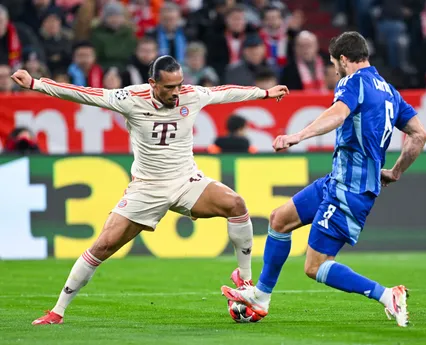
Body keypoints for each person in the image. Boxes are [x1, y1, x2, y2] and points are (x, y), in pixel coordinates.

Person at [11, 55, 289, 325]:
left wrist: (264, 93)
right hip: (147, 189)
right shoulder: (130, 99)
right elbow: (83, 93)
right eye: (169, 87)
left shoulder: (192, 94)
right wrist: (36, 84)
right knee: (103, 247)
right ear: (152, 83)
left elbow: (226, 92)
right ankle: (58, 311)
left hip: (186, 181)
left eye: (179, 85)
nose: (176, 92)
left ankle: (244, 279)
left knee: (236, 204)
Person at [221, 31, 426, 328]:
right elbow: (420, 134)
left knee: (315, 266)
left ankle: (387, 295)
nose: (334, 69)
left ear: (344, 59)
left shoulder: (353, 82)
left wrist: (297, 136)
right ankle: (261, 297)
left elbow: (337, 114)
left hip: (350, 189)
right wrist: (395, 172)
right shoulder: (388, 91)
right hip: (338, 180)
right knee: (279, 218)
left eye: (334, 63)